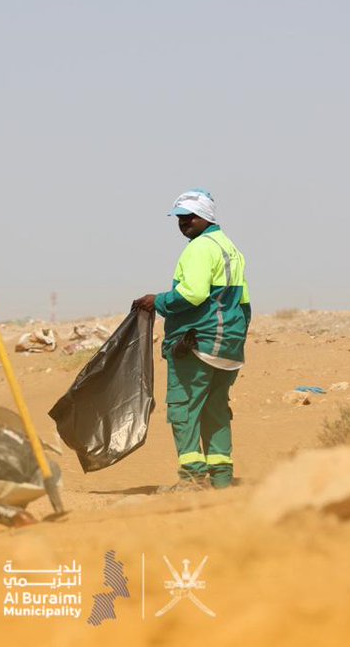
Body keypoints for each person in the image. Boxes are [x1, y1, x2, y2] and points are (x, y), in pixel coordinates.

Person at [133, 189, 250, 491]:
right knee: (216, 411)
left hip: (196, 342)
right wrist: (234, 337)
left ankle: (192, 479)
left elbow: (193, 293)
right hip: (228, 346)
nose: (183, 223)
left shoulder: (199, 249)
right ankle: (222, 481)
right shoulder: (231, 249)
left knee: (184, 409)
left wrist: (156, 301)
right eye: (180, 218)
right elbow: (244, 304)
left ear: (206, 217)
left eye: (190, 217)